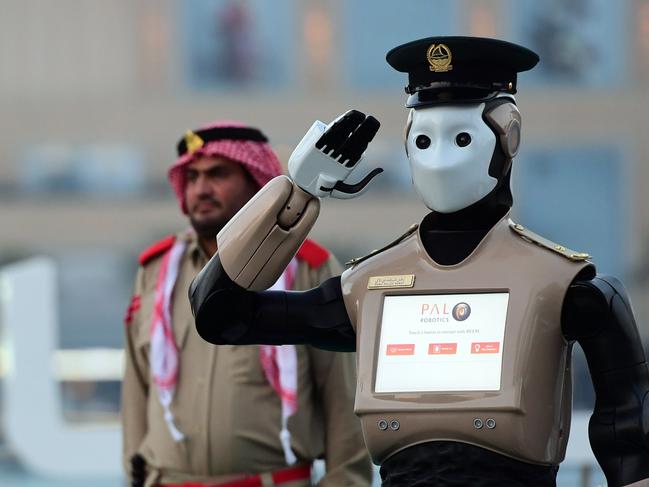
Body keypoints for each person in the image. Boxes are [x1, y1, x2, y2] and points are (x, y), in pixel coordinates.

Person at [189, 38, 649, 487]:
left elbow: (629, 428)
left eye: (462, 137)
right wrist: (295, 193)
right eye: (424, 140)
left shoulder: (563, 284)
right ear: (407, 144)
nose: (441, 161)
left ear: (507, 136)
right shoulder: (367, 287)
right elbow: (219, 314)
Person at [121, 121, 373, 487]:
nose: (200, 189)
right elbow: (135, 393)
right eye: (191, 177)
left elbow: (343, 398)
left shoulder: (309, 268)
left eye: (217, 174)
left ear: (257, 182)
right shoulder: (156, 271)